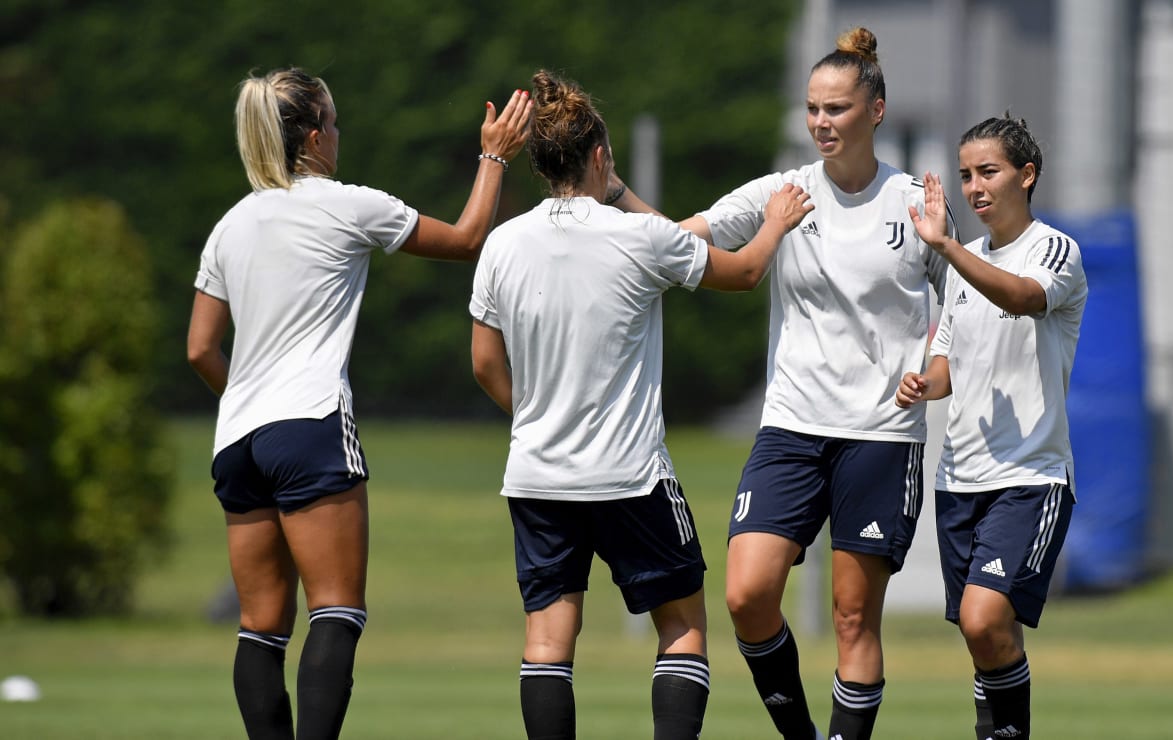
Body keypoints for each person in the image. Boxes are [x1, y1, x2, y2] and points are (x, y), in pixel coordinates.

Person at [611, 26, 952, 740]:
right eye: (813, 109)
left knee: (854, 617)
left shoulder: (912, 203)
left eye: (837, 108)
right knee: (746, 593)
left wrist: (937, 370)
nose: (822, 122)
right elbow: (683, 239)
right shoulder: (783, 193)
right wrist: (614, 193)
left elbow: (961, 308)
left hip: (881, 435)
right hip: (792, 428)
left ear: (876, 110)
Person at [186, 66, 531, 740]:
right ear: (314, 136)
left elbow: (200, 348)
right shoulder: (347, 204)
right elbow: (465, 240)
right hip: (309, 425)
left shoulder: (231, 224)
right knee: (337, 611)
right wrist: (493, 156)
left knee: (260, 627)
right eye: (335, 124)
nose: (340, 136)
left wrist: (251, 402)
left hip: (236, 440)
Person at [469, 69, 813, 740]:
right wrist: (774, 224)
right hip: (630, 477)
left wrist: (533, 421)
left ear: (542, 163)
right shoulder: (639, 239)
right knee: (681, 627)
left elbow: (485, 362)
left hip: (538, 475)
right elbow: (741, 272)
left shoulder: (503, 245)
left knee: (547, 641)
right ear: (600, 156)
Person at [895, 114, 1087, 740]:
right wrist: (926, 383)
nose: (974, 187)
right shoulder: (964, 263)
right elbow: (949, 355)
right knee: (985, 635)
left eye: (989, 172)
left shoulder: (1053, 249)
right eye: (965, 176)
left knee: (984, 619)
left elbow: (1023, 298)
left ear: (1026, 176)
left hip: (1029, 476)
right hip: (959, 479)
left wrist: (946, 246)